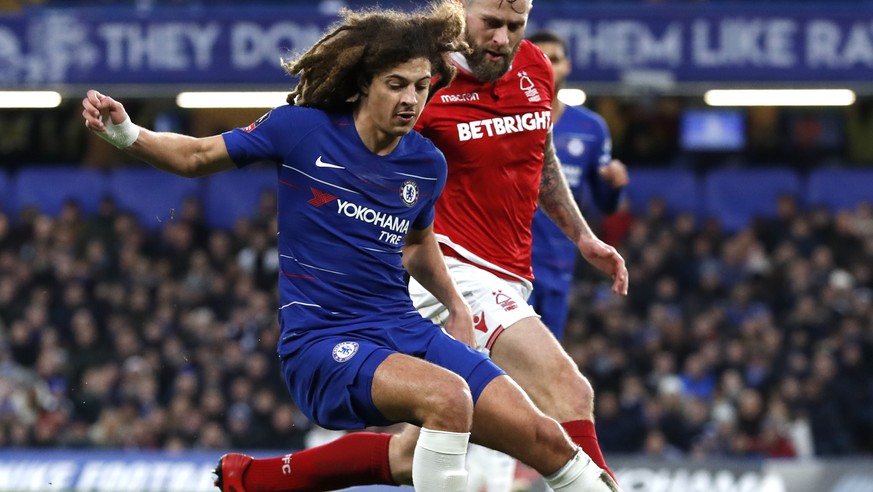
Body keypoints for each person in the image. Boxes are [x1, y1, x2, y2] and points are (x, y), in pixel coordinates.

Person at [81, 2, 617, 492]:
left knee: (547, 443)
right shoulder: (301, 130)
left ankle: (263, 482)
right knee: (453, 398)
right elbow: (196, 156)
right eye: (396, 85)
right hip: (322, 341)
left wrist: (455, 306)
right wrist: (128, 134)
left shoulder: (426, 163)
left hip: (401, 327)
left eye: (422, 87)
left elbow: (419, 244)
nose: (411, 100)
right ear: (364, 84)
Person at [236, 1, 628, 491]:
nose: (503, 40)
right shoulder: (423, 81)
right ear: (461, 9)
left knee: (412, 452)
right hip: (453, 269)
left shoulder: (533, 68)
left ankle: (255, 478)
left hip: (511, 272)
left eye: (515, 26)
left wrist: (582, 234)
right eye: (491, 24)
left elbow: (538, 148)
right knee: (566, 392)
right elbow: (366, 161)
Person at [527, 29, 629, 341]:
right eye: (539, 58)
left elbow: (605, 204)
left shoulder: (591, 128)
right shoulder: (507, 121)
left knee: (546, 368)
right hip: (510, 263)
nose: (547, 65)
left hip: (559, 264)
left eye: (554, 58)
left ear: (567, 66)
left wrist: (614, 185)